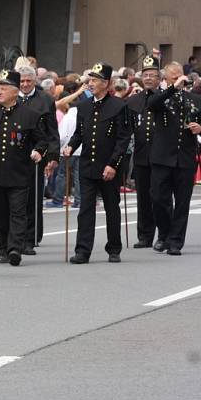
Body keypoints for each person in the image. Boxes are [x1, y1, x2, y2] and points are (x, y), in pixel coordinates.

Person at [63, 63, 131, 264]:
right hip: (87, 165)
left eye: (94, 80)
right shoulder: (83, 106)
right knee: (85, 209)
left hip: (109, 166)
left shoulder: (119, 106)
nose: (90, 84)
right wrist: (71, 146)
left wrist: (113, 164)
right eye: (89, 80)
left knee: (112, 207)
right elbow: (79, 134)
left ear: (106, 83)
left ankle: (114, 248)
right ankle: (83, 250)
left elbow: (123, 139)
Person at [0, 70, 47, 267]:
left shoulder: (30, 115)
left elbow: (42, 139)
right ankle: (3, 247)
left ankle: (15, 248)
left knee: (18, 212)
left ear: (15, 92)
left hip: (20, 173)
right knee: (0, 213)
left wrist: (38, 151)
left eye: (4, 88)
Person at [147, 62, 201, 256]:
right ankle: (164, 234)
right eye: (173, 77)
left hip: (185, 158)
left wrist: (200, 129)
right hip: (162, 157)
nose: (178, 79)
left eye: (179, 75)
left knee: (182, 202)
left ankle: (175, 241)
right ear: (165, 78)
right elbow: (152, 105)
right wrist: (172, 88)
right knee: (158, 199)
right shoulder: (159, 97)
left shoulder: (195, 100)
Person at [18, 65, 60, 255]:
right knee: (15, 198)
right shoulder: (12, 97)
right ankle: (13, 236)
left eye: (28, 81)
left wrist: (53, 155)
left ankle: (31, 237)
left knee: (33, 197)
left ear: (35, 81)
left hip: (38, 153)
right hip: (15, 154)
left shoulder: (45, 100)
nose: (25, 85)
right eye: (21, 81)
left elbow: (52, 130)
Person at [125, 55, 162, 248]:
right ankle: (144, 235)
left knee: (160, 196)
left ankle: (163, 235)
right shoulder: (133, 101)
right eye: (145, 74)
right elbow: (126, 129)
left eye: (152, 75)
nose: (148, 78)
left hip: (161, 156)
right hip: (141, 155)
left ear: (159, 78)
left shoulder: (166, 97)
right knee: (143, 198)